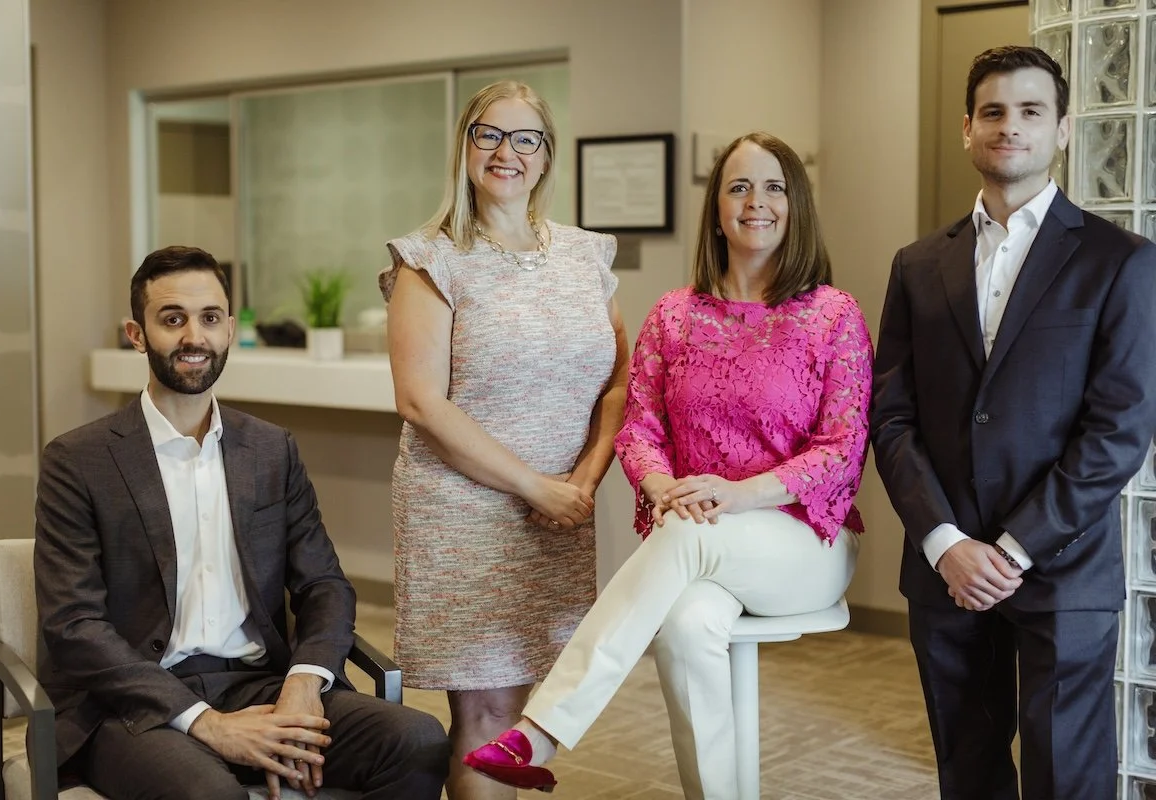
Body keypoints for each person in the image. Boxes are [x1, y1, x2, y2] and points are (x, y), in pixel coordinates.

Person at [464, 131, 872, 799]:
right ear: (716, 208)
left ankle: (540, 730)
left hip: (804, 542)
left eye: (774, 187)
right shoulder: (674, 316)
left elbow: (839, 451)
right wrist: (660, 485)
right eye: (738, 186)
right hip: (700, 533)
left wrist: (735, 497)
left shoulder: (832, 315)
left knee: (686, 535)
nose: (756, 202)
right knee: (686, 627)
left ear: (796, 205)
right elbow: (640, 428)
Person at [34, 246, 449, 800]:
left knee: (416, 739)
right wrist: (208, 723)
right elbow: (73, 625)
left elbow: (324, 585)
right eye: (172, 319)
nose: (193, 337)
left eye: (209, 318)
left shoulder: (271, 450)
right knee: (211, 794)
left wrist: (303, 686)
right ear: (137, 335)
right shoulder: (77, 460)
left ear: (229, 329)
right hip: (138, 706)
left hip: (263, 682)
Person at [870, 45, 1156, 800]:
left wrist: (1016, 546)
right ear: (967, 129)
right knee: (967, 774)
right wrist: (945, 542)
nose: (1010, 126)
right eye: (993, 111)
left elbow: (1119, 430)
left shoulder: (1120, 261)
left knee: (1068, 781)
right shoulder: (916, 264)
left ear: (1062, 130)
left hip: (1065, 566)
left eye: (1031, 111)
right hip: (947, 567)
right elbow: (892, 416)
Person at [378, 79, 629, 800]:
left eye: (526, 138)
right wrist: (535, 486)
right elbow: (420, 402)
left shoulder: (586, 255)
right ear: (464, 147)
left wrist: (584, 477)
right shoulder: (430, 258)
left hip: (560, 509)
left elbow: (620, 378)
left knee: (520, 710)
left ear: (548, 156)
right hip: (464, 513)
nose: (506, 152)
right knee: (485, 710)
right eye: (489, 134)